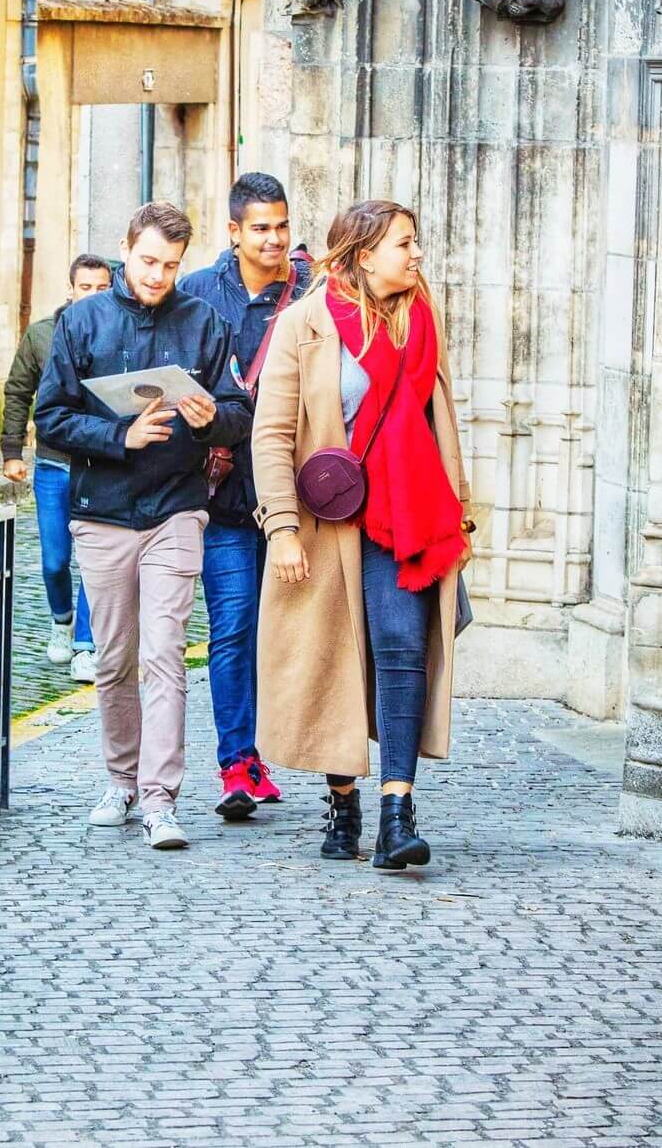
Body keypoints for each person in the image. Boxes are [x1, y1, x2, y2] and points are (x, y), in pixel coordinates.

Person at [252, 201, 474, 870]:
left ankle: (397, 813)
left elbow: (442, 429)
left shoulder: (419, 324)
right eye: (405, 243)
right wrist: (282, 527)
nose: (416, 255)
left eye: (416, 242)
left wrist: (459, 512)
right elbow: (272, 434)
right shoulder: (304, 325)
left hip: (405, 517)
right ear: (364, 253)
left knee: (402, 647)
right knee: (334, 658)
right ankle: (343, 799)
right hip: (328, 523)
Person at [35, 202, 253, 850]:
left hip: (177, 508)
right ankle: (120, 781)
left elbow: (239, 410)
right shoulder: (82, 322)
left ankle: (162, 800)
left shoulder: (203, 323)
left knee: (164, 655)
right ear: (126, 250)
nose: (158, 275)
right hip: (102, 510)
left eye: (170, 266)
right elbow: (50, 416)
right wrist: (119, 434)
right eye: (148, 261)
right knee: (114, 659)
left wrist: (213, 415)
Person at [180, 172, 312, 818]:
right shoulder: (197, 295)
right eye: (260, 228)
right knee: (232, 625)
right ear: (233, 232)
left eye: (282, 226)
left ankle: (294, 749)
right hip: (225, 495)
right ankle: (238, 760)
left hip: (296, 495)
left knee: (288, 630)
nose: (274, 239)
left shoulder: (310, 293)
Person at [3, 254, 113, 684]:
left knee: (94, 558)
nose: (93, 295)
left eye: (102, 287)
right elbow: (17, 391)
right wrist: (12, 450)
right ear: (71, 289)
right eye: (86, 287)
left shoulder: (120, 333)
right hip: (52, 462)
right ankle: (62, 620)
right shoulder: (41, 335)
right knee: (55, 560)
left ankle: (87, 645)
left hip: (101, 464)